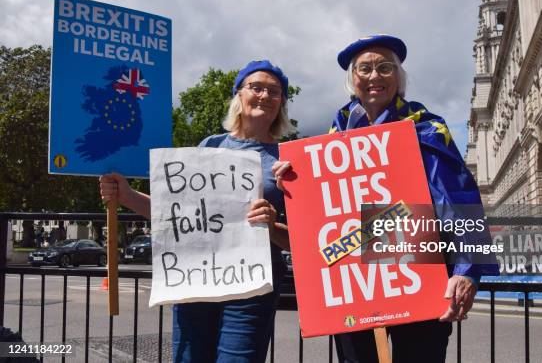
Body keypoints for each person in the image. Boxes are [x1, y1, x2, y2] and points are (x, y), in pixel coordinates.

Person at [273, 35, 498, 363]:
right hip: (354, 283)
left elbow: (461, 199)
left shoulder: (429, 130)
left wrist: (467, 271)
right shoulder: (330, 142)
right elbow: (319, 216)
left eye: (385, 67)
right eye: (364, 68)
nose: (374, 76)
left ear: (399, 77)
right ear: (352, 80)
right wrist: (294, 179)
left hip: (419, 274)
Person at [100, 59, 293, 363]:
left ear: (281, 103)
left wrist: (271, 224)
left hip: (253, 291)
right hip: (197, 283)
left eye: (275, 91)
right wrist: (125, 194)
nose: (265, 96)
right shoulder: (209, 146)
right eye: (256, 87)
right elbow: (173, 216)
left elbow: (299, 240)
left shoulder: (288, 159)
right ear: (239, 95)